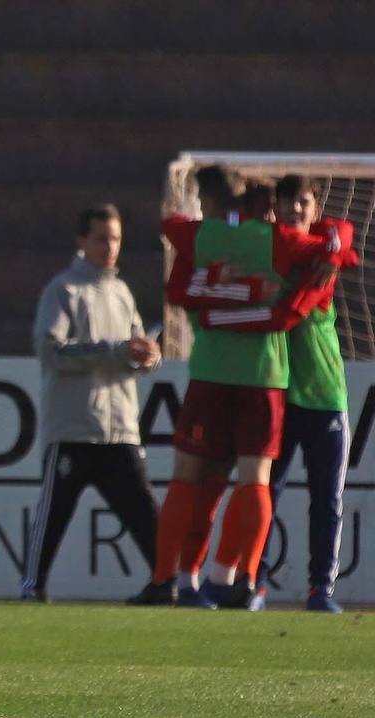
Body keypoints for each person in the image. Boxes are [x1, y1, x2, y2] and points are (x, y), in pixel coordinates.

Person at [144, 164, 354, 610]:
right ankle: (232, 580)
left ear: (207, 202)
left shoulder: (198, 239)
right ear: (267, 208)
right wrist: (334, 247)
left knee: (192, 480)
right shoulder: (282, 244)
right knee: (256, 483)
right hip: (263, 378)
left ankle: (172, 580)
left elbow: (179, 288)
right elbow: (335, 248)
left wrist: (215, 305)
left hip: (209, 372)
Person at [204, 175, 357, 613]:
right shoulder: (279, 251)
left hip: (327, 396)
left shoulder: (324, 258)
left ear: (314, 207)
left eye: (303, 203)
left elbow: (291, 311)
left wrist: (335, 247)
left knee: (326, 500)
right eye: (288, 203)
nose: (295, 211)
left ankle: (319, 590)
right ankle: (256, 583)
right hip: (280, 397)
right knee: (266, 493)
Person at [23, 204, 161, 603]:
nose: (110, 247)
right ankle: (32, 589)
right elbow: (51, 351)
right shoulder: (63, 290)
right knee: (53, 518)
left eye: (115, 238)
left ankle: (166, 582)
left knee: (146, 517)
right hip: (73, 428)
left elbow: (134, 352)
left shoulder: (121, 291)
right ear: (81, 241)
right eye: (101, 238)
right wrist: (117, 351)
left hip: (119, 429)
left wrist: (148, 357)